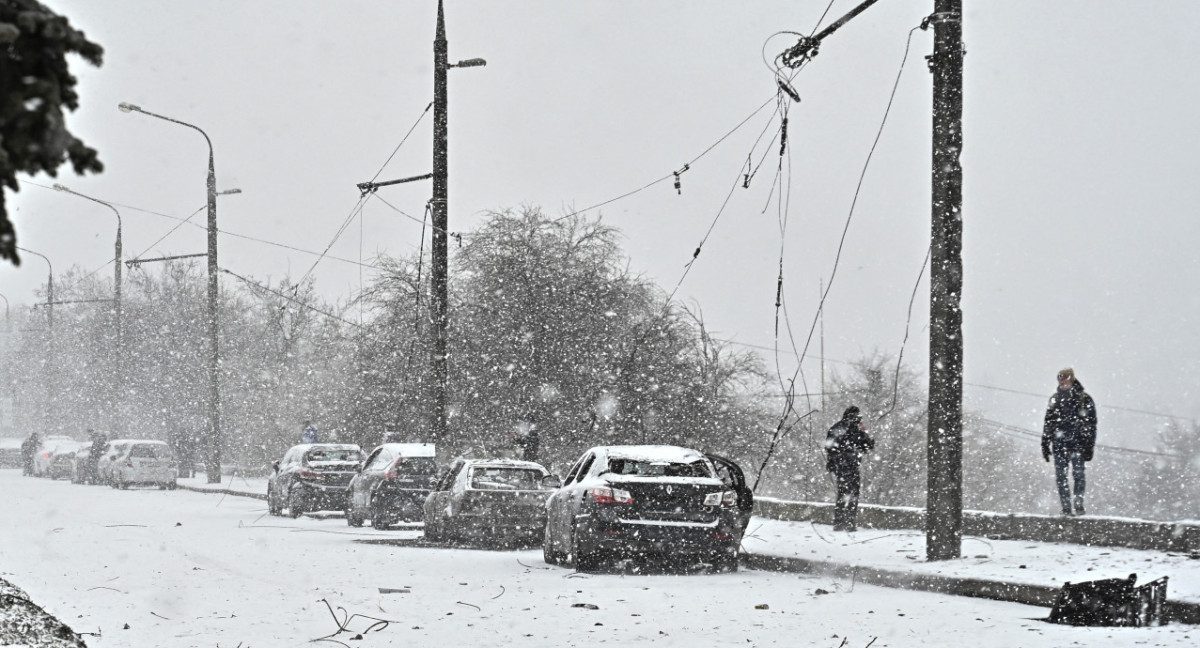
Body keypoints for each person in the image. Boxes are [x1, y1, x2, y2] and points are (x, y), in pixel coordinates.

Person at [1041, 367, 1098, 516]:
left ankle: (1078, 504)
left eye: (1066, 379)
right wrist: (1045, 442)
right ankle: (1066, 507)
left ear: (1072, 380)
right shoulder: (1055, 399)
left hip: (1078, 444)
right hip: (1060, 445)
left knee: (1078, 475)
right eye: (1061, 380)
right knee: (1061, 476)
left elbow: (1091, 424)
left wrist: (1089, 445)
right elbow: (1049, 422)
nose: (1063, 383)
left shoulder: (1084, 399)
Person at [825, 406, 875, 531]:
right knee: (852, 494)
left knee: (843, 493)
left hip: (840, 466)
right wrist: (866, 433)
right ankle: (849, 522)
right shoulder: (855, 431)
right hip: (851, 465)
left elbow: (829, 447)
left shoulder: (837, 428)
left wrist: (834, 461)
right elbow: (867, 447)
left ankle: (839, 522)